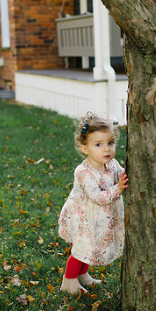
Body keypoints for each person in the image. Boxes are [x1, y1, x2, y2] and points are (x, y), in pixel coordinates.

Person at [58, 112, 128, 295]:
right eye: (99, 145)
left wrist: (126, 175)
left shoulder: (112, 164)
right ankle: (69, 281)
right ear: (85, 148)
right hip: (83, 217)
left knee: (92, 246)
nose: (107, 149)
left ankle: (83, 275)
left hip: (98, 218)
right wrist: (118, 189)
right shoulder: (84, 172)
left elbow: (121, 172)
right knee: (82, 248)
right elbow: (97, 197)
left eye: (110, 143)